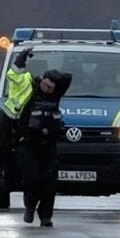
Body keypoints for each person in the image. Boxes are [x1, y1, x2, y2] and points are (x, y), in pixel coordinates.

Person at [10, 50, 72, 227]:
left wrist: (56, 76)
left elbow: (68, 79)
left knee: (49, 182)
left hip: (48, 145)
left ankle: (46, 217)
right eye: (46, 82)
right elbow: (17, 74)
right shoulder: (30, 91)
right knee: (31, 178)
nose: (48, 87)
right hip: (28, 144)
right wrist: (22, 58)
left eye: (52, 84)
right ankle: (30, 207)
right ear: (42, 79)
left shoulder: (55, 96)